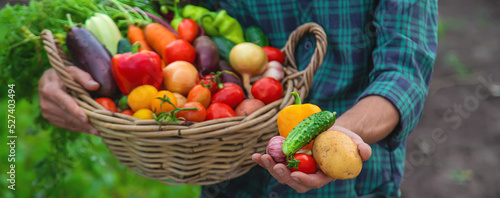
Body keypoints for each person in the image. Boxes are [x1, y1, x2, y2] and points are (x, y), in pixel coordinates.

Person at [39, 0, 438, 197]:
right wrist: (75, 65)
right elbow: (153, 14)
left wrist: (338, 135)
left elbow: (404, 71)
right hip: (235, 178)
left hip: (355, 183)